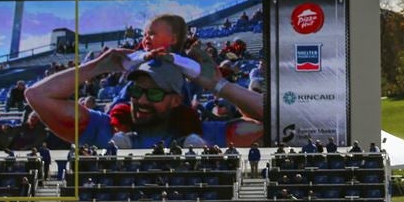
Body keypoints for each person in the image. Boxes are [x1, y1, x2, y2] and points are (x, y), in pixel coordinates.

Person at [26, 46, 263, 148]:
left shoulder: (208, 133)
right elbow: (36, 95)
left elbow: (275, 121)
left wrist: (220, 86)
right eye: (137, 91)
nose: (141, 100)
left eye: (155, 93)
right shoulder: (103, 128)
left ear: (176, 100)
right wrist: (97, 66)